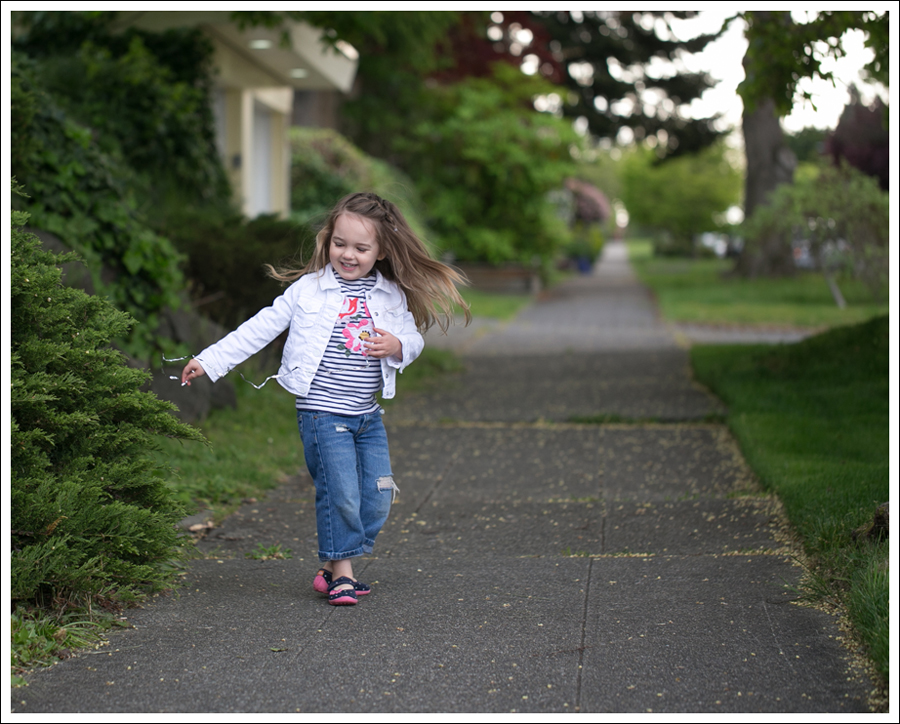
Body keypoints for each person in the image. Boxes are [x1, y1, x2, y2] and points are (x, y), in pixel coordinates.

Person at [181, 192, 470, 605]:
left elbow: (413, 339)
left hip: (367, 415)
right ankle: (344, 577)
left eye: (360, 247)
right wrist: (210, 361)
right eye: (340, 244)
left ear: (382, 250)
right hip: (321, 412)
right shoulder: (308, 291)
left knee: (379, 495)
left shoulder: (390, 294)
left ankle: (333, 565)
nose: (347, 254)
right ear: (327, 239)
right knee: (341, 494)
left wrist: (398, 345)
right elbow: (261, 327)